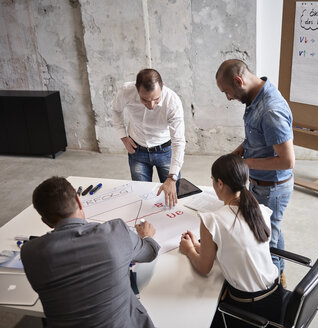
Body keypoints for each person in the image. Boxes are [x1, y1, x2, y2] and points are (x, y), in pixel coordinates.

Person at [21, 177, 160, 328]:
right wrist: (146, 236)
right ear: (79, 200)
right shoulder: (116, 232)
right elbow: (150, 252)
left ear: (45, 222)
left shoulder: (29, 252)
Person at [179, 154, 284, 327]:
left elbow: (205, 268)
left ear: (220, 183)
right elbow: (236, 248)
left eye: (212, 180)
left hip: (249, 310)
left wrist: (189, 250)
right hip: (275, 298)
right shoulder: (260, 210)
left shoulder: (212, 220)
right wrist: (199, 246)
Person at [215, 59, 295, 285]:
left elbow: (287, 161)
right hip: (263, 185)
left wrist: (246, 164)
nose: (228, 98)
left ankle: (272, 284)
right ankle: (280, 271)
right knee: (272, 229)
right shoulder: (254, 98)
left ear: (239, 81)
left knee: (265, 239)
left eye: (227, 92)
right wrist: (241, 150)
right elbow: (257, 135)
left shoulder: (270, 110)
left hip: (273, 189)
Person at [112, 68, 186, 208]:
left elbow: (179, 141)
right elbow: (116, 110)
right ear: (136, 89)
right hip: (137, 151)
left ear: (162, 86)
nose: (151, 105)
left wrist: (172, 177)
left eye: (156, 99)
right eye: (144, 100)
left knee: (173, 197)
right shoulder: (126, 91)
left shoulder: (173, 102)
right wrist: (123, 137)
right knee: (142, 198)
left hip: (165, 151)